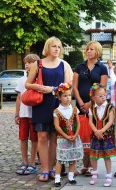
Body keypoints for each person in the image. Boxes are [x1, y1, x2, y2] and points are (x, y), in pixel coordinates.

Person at [25, 36, 73, 182]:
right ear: (48, 48)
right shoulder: (38, 64)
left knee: (53, 137)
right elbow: (27, 84)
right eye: (54, 46)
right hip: (41, 104)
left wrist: (52, 89)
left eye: (59, 47)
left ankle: (52, 169)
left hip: (57, 104)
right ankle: (44, 170)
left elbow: (68, 86)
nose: (57, 49)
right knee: (42, 136)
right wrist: (38, 87)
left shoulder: (64, 64)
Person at [73, 40, 108, 176]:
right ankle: (82, 166)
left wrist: (90, 103)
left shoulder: (102, 68)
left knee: (92, 136)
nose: (88, 51)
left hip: (94, 106)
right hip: (80, 106)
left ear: (98, 51)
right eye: (87, 49)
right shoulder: (79, 67)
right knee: (81, 136)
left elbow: (102, 88)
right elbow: (74, 86)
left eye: (92, 49)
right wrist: (81, 102)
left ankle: (90, 167)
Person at [53, 83, 83, 187]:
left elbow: (78, 123)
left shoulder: (74, 109)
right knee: (60, 159)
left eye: (69, 95)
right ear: (59, 97)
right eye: (65, 96)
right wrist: (66, 136)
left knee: (72, 157)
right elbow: (57, 126)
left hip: (74, 137)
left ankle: (71, 175)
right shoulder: (57, 111)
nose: (68, 98)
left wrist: (75, 134)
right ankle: (57, 178)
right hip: (62, 139)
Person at [15, 54, 39, 175]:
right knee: (23, 137)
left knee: (35, 139)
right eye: (26, 62)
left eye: (30, 62)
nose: (27, 65)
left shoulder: (39, 79)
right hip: (24, 113)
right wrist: (16, 114)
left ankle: (32, 161)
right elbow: (19, 98)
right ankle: (24, 161)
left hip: (35, 113)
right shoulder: (22, 80)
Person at [88, 83, 116, 187]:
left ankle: (109, 176)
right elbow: (91, 122)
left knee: (106, 156)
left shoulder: (110, 107)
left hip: (106, 135)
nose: (103, 97)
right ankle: (94, 173)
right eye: (100, 96)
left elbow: (110, 121)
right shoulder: (92, 108)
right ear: (94, 98)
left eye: (104, 95)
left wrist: (102, 131)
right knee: (93, 155)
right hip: (95, 135)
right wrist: (96, 131)